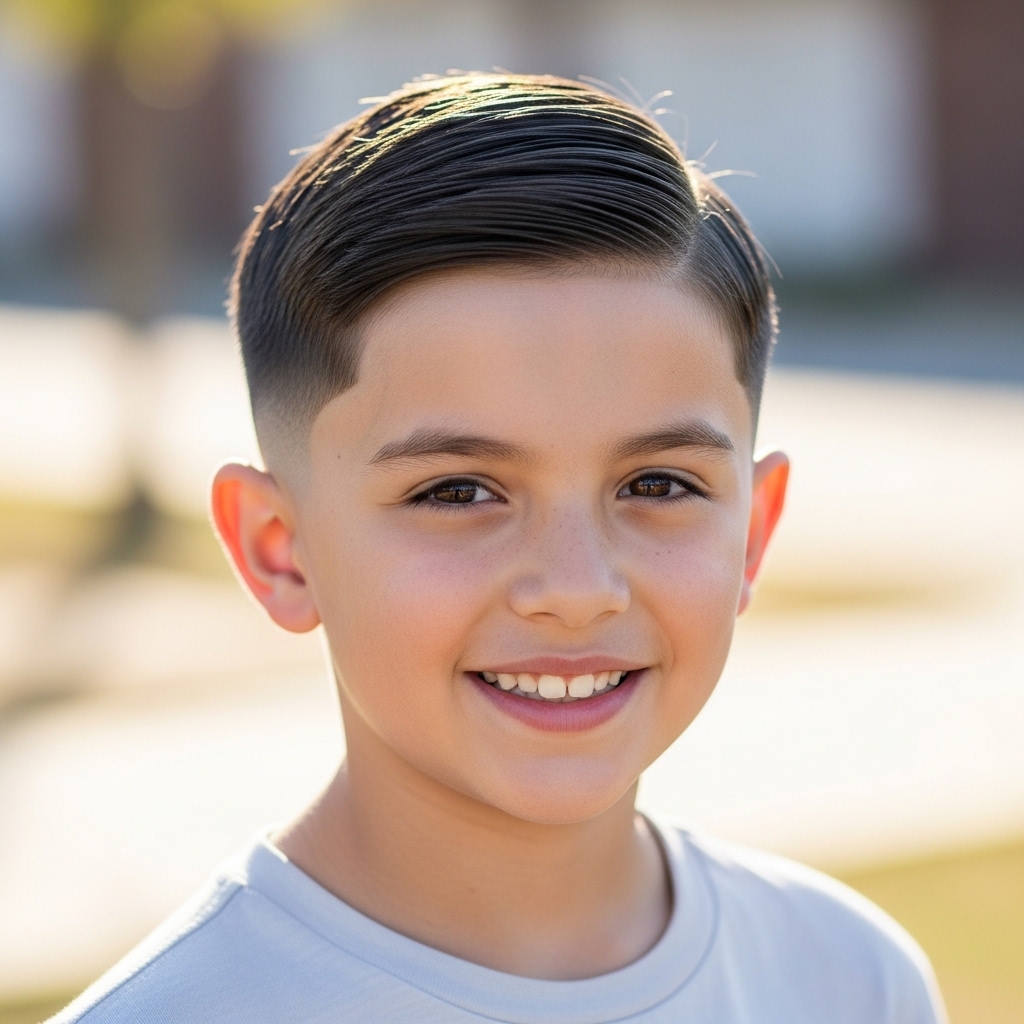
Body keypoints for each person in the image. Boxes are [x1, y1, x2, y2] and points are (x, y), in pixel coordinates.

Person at [52, 73, 947, 1023]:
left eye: (657, 485)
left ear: (753, 534)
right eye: (457, 492)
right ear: (280, 551)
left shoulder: (851, 981)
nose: (575, 589)